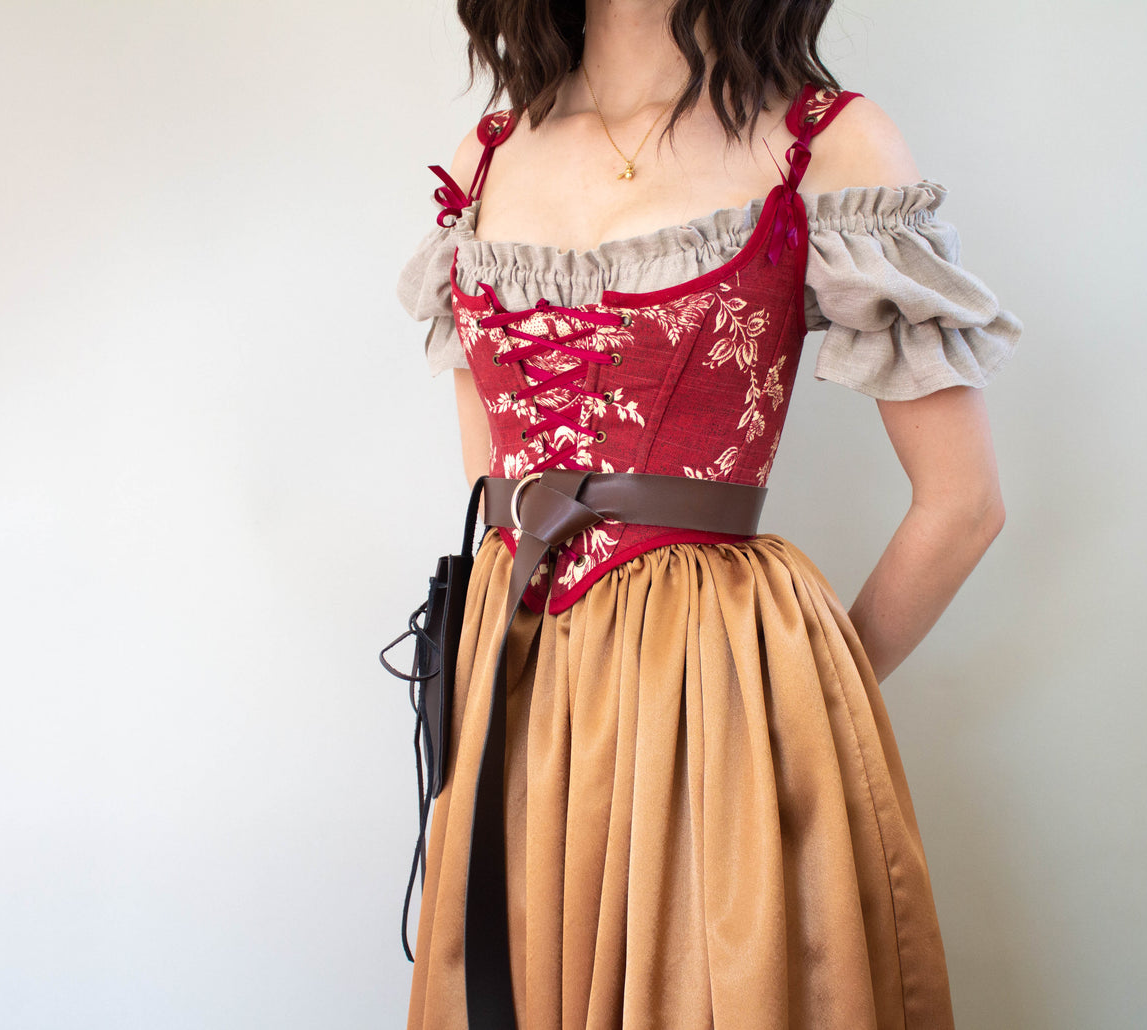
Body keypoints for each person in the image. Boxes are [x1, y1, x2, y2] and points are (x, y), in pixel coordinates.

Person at [395, 1, 1022, 1026]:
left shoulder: (824, 141)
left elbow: (961, 504)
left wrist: (794, 707)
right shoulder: (488, 155)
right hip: (519, 688)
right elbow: (495, 502)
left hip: (713, 689)